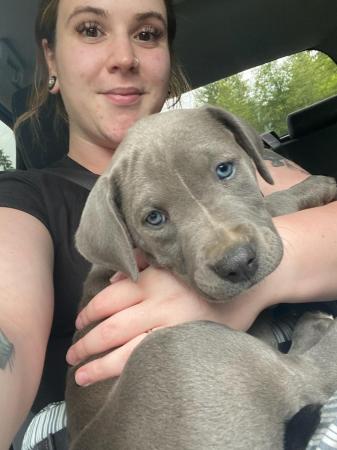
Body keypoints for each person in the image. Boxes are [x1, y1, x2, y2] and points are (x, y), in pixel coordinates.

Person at [1, 0, 337, 448]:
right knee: (171, 353)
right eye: (90, 29)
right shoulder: (23, 201)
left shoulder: (215, 139)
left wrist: (264, 280)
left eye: (146, 33)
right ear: (51, 59)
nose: (124, 57)